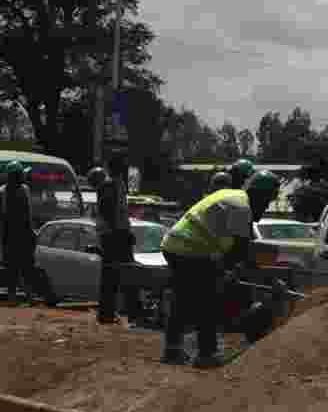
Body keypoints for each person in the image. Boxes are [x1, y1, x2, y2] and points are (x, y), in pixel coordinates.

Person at [159, 170, 281, 367]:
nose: (266, 208)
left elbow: (239, 250)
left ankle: (172, 350)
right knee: (207, 299)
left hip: (175, 245)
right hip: (190, 249)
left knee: (182, 298)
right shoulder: (241, 207)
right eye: (267, 202)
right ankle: (206, 354)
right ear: (259, 195)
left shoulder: (235, 197)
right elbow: (241, 252)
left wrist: (228, 270)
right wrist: (267, 280)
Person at [94, 154, 140, 325]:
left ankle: (130, 312)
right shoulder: (109, 185)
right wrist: (120, 232)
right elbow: (109, 212)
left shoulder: (118, 183)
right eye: (123, 165)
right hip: (114, 236)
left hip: (119, 233)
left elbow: (120, 212)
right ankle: (108, 314)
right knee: (113, 275)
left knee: (127, 273)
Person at [2, 161, 36, 306]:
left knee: (12, 269)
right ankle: (27, 297)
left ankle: (13, 298)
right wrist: (31, 232)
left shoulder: (3, 191)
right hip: (21, 234)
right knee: (25, 267)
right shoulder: (24, 189)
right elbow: (28, 214)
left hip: (9, 235)